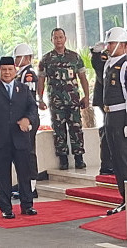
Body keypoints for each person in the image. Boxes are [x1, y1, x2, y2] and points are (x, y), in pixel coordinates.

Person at [0, 56, 39, 219]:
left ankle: (27, 205)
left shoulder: (23, 89)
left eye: (10, 69)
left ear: (15, 71)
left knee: (24, 173)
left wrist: (28, 119)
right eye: (4, 69)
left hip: (20, 138)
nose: (7, 72)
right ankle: (6, 208)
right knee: (2, 175)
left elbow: (33, 107)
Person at [101, 27, 127, 216]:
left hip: (122, 117)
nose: (108, 47)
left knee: (126, 160)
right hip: (110, 117)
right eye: (108, 43)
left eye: (111, 43)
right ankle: (125, 199)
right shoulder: (109, 64)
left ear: (123, 45)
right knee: (116, 160)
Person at [37, 28, 90, 170]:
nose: (58, 40)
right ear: (52, 40)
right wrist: (40, 99)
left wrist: (86, 96)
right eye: (55, 38)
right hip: (56, 101)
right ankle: (63, 159)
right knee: (59, 130)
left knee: (76, 128)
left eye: (61, 37)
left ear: (65, 38)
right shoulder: (46, 59)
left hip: (73, 101)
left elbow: (82, 78)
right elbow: (41, 80)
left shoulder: (75, 57)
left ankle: (79, 158)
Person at [13, 43, 40, 197]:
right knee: (22, 152)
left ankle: (31, 185)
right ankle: (25, 184)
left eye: (18, 57)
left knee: (29, 152)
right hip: (22, 117)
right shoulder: (20, 74)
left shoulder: (28, 74)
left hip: (28, 117)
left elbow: (26, 98)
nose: (16, 60)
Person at [90, 42, 113, 175]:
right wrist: (95, 53)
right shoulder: (103, 57)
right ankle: (106, 164)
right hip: (104, 100)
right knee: (107, 131)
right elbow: (97, 66)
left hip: (120, 102)